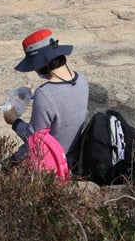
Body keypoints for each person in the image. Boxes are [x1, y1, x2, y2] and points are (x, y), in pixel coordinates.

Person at [5, 28, 89, 170]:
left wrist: (13, 120)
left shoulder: (44, 94)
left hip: (49, 163)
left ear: (40, 64)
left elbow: (34, 138)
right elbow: (63, 98)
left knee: (3, 168)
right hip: (71, 157)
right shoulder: (81, 79)